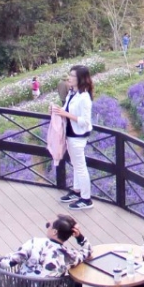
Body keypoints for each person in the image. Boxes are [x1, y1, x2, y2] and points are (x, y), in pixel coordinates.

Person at [50, 65, 94, 210]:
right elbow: (66, 110)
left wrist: (65, 114)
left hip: (78, 136)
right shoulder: (72, 93)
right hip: (70, 134)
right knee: (76, 165)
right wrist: (57, 110)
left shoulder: (84, 97)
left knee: (80, 167)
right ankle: (76, 191)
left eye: (73, 76)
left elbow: (85, 121)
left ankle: (86, 199)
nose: (69, 78)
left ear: (80, 78)